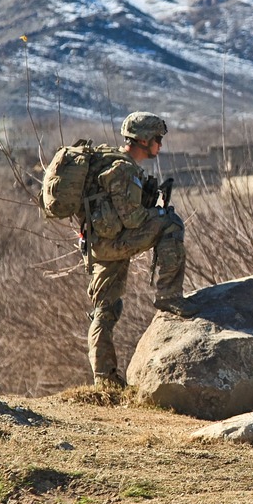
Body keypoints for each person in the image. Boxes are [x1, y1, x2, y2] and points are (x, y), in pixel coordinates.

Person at [84, 111, 190, 388]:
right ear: (143, 140)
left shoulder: (107, 161)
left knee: (105, 309)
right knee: (172, 224)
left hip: (99, 245)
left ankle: (104, 380)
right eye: (157, 139)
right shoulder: (124, 169)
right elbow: (133, 219)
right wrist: (157, 211)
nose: (160, 145)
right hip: (114, 243)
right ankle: (169, 295)